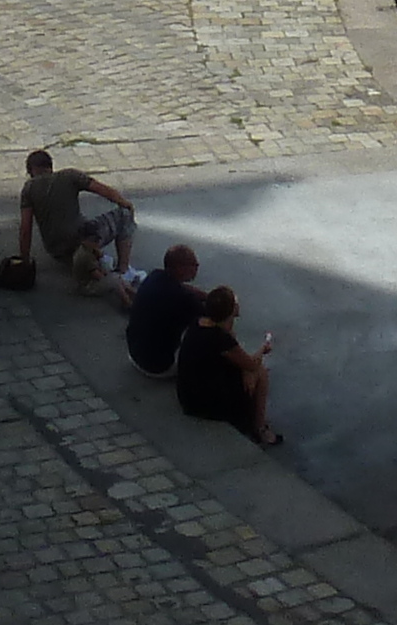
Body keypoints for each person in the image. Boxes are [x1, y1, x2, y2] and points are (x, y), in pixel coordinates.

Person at [175, 283, 283, 445]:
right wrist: (263, 349)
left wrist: (246, 369)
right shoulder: (221, 339)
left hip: (188, 393)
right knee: (261, 372)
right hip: (203, 402)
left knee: (249, 371)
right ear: (232, 310)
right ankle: (260, 428)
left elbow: (237, 356)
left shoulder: (200, 323)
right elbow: (251, 363)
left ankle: (249, 416)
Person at [18, 148, 137, 291]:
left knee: (83, 233)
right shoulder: (69, 175)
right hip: (81, 240)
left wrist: (24, 260)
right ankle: (123, 271)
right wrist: (124, 203)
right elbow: (102, 189)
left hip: (57, 250)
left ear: (30, 171)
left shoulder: (28, 189)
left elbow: (26, 228)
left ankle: (94, 264)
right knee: (123, 215)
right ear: (50, 166)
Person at [123, 243, 204, 377]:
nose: (197, 268)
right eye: (194, 265)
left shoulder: (155, 276)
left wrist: (205, 295)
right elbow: (212, 317)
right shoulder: (185, 299)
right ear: (180, 268)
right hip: (158, 367)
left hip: (134, 353)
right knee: (204, 335)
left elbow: (183, 288)